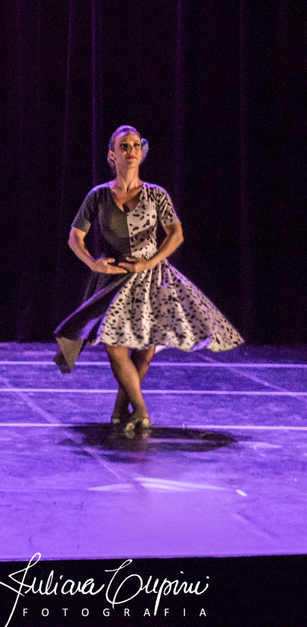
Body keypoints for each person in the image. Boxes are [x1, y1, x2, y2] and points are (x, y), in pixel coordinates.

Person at [54, 125, 243, 433]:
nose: (131, 150)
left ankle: (120, 410)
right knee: (116, 348)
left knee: (144, 351)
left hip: (153, 279)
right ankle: (141, 412)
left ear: (141, 154)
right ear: (112, 155)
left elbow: (176, 234)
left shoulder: (156, 194)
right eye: (124, 146)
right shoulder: (98, 195)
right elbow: (75, 237)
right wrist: (93, 264)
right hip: (116, 280)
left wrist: (150, 261)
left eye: (135, 145)